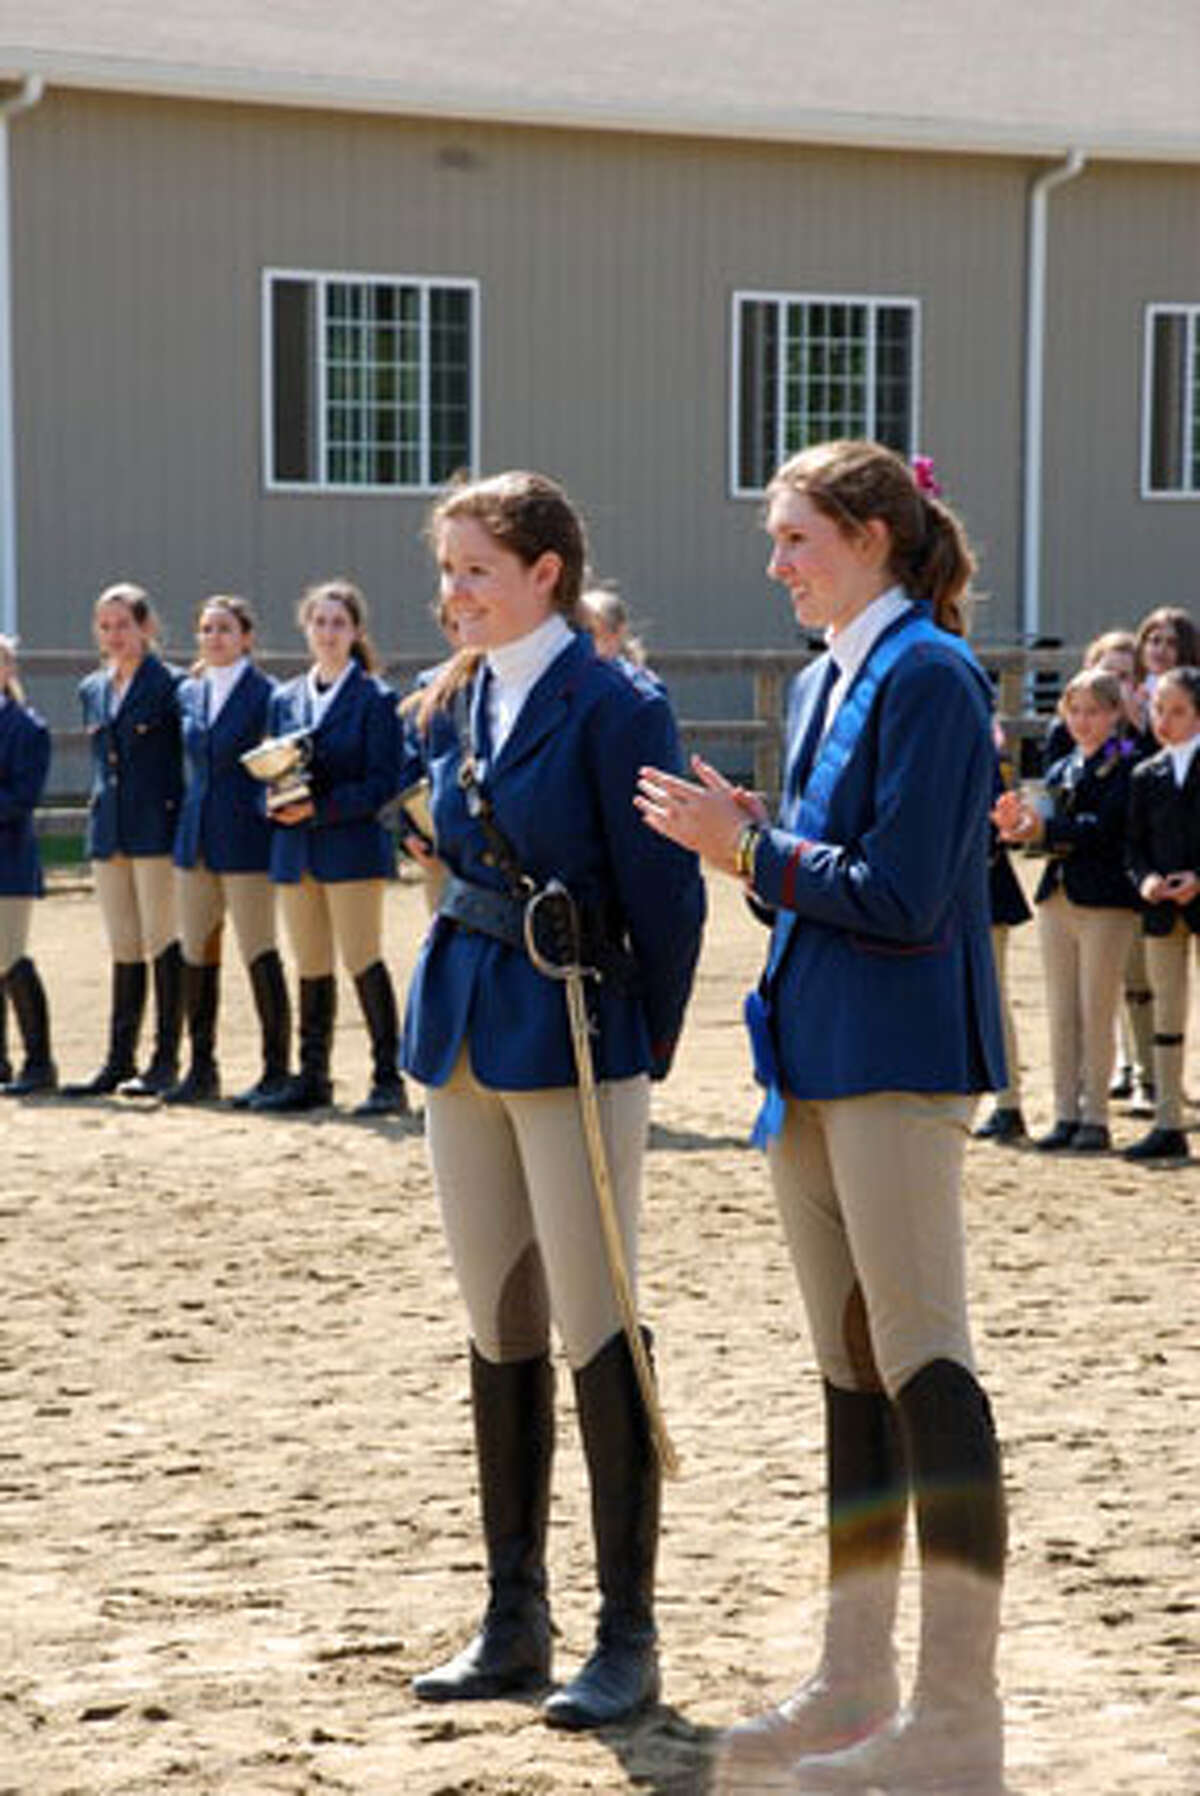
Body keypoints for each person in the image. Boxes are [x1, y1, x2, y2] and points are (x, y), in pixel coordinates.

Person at [637, 440, 1008, 1795]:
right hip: (813, 1054)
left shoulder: (931, 674)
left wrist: (745, 846)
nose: (778, 564)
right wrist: (752, 836)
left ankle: (959, 1717)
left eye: (796, 538)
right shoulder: (823, 681)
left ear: (868, 536)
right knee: (852, 1377)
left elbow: (907, 896)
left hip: (900, 1057)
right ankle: (857, 1683)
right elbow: (818, 872)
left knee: (926, 1368)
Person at [400, 471, 704, 1730]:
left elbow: (668, 896)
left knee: (596, 1316)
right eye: (449, 568)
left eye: (476, 568)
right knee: (498, 1316)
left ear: (546, 573)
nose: (453, 590)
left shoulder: (615, 699)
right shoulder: (462, 692)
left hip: (576, 1029)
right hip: (463, 1020)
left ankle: (626, 1630)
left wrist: (640, 1043)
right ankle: (513, 1612)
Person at [256, 579, 406, 1116]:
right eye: (319, 622)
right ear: (306, 628)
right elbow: (268, 772)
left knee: (361, 956)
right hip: (295, 850)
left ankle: (387, 1076)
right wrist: (272, 805)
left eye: (338, 623)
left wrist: (320, 808)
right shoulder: (284, 698)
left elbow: (383, 783)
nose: (327, 632)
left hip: (351, 848)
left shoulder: (375, 699)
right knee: (311, 962)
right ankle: (312, 1075)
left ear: (356, 632)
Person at [996, 668, 1140, 1153]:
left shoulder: (1127, 763)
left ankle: (1095, 1114)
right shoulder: (1063, 767)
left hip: (1105, 899)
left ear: (1115, 714)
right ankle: (1064, 1112)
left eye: (1094, 711)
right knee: (1061, 1010)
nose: (1083, 721)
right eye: (1074, 711)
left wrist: (1047, 831)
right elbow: (1051, 827)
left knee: (1095, 1008)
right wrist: (1026, 830)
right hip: (1058, 894)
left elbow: (1103, 828)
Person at [62, 584, 185, 1098]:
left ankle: (164, 1059)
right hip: (108, 828)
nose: (114, 636)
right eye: (106, 626)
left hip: (155, 826)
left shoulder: (170, 685)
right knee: (124, 945)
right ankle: (119, 1057)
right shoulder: (93, 687)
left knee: (162, 940)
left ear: (146, 627)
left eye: (124, 625)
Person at [169, 595, 291, 1106]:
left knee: (258, 949)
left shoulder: (268, 694)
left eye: (224, 629)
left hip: (247, 837)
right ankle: (200, 1066)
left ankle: (275, 1069)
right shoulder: (190, 692)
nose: (213, 637)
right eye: (205, 629)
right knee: (196, 950)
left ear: (246, 637)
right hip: (195, 837)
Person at [1122, 665, 1200, 1162]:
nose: (1165, 721)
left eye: (1178, 711)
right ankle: (1168, 1119)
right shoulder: (1145, 774)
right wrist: (1146, 879)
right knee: (1166, 1015)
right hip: (1162, 910)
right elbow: (1132, 845)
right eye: (1158, 710)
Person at [0, 634, 56, 1094]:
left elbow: (22, 797)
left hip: (9, 860)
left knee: (9, 955)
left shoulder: (28, 729)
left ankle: (39, 1061)